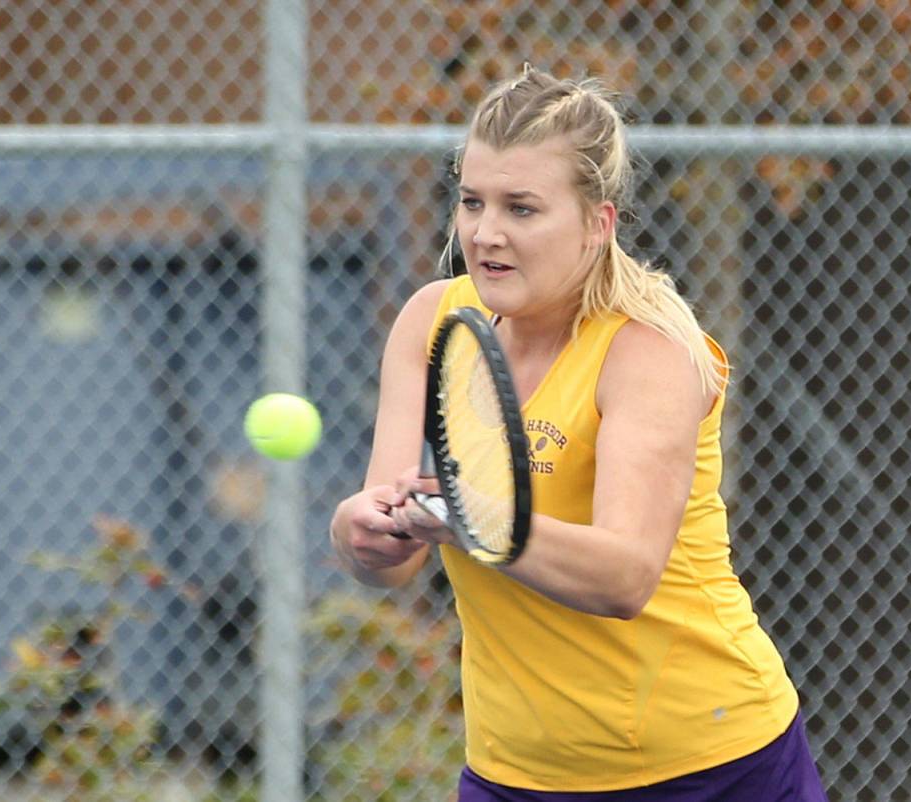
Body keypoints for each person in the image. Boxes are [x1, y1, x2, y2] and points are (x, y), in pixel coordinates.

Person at [329, 65, 829, 801]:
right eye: (472, 201)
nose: (485, 233)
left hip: (708, 765)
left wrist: (475, 519)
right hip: (512, 772)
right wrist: (360, 532)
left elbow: (624, 577)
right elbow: (394, 558)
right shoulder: (430, 322)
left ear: (599, 223)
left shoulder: (648, 352)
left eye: (522, 208)